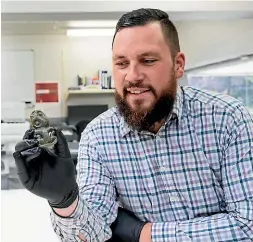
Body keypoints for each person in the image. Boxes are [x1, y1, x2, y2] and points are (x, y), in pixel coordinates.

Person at [13, 8, 253, 242]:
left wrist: (143, 234)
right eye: (121, 63)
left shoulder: (227, 120)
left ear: (178, 64)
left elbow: (248, 225)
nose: (132, 75)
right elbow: (95, 235)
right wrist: (65, 202)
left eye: (147, 60)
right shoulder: (99, 136)